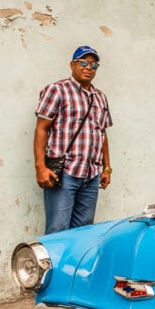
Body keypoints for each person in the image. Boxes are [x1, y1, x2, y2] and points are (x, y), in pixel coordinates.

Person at [34, 45, 113, 235]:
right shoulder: (57, 90)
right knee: (58, 230)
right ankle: (54, 265)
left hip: (91, 175)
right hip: (64, 173)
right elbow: (41, 128)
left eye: (93, 64)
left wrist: (107, 168)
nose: (88, 67)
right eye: (83, 62)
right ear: (72, 65)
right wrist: (41, 168)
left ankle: (75, 266)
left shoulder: (100, 97)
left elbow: (102, 134)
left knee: (84, 232)